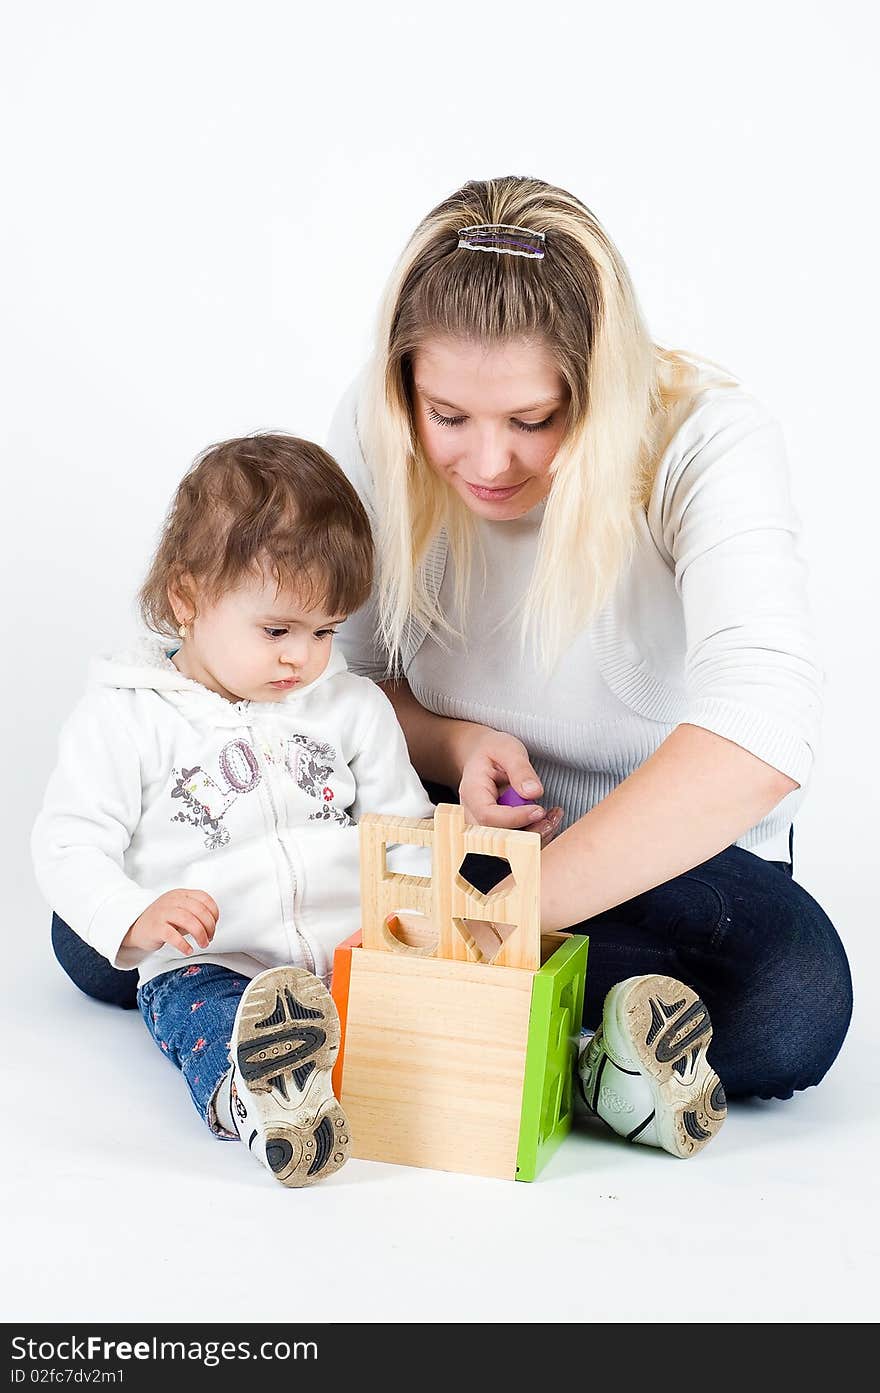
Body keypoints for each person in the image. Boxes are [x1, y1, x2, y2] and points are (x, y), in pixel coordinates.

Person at [322, 175, 853, 1159]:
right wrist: (452, 737)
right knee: (102, 928)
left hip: (645, 860)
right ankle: (567, 1050)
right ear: (407, 389)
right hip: (445, 818)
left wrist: (513, 912)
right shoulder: (376, 418)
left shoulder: (707, 439)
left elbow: (765, 732)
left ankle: (376, 1013)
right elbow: (329, 682)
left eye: (533, 420)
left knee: (790, 994)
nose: (487, 461)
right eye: (448, 416)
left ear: (600, 389)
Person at [32, 433, 435, 1187]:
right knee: (207, 1018)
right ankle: (260, 1100)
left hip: (355, 953)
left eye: (324, 631)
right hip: (216, 958)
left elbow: (402, 829)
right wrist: (133, 915)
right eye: (277, 630)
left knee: (436, 1020)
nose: (302, 658)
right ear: (187, 600)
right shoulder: (127, 717)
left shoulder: (349, 707)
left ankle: (580, 1069)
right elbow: (68, 841)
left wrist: (404, 927)